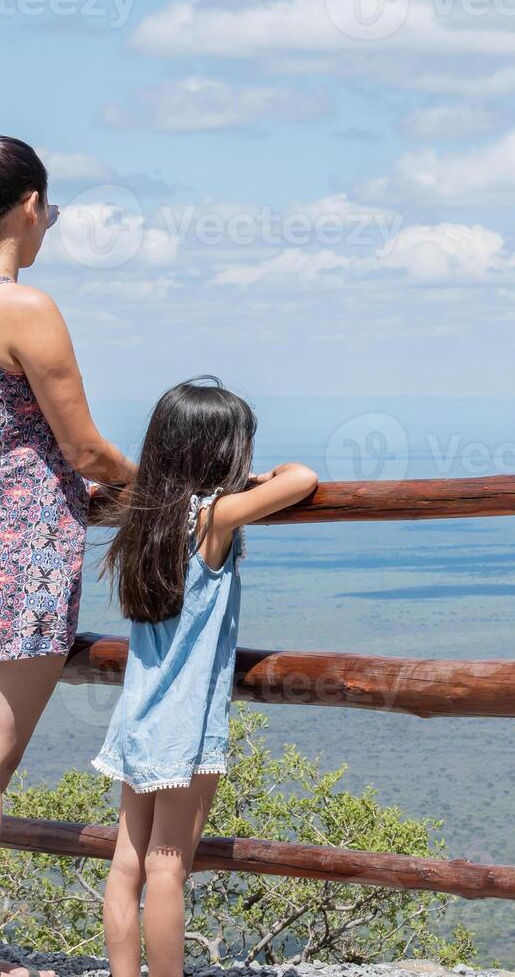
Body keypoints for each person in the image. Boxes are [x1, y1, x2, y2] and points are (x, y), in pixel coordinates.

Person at [0, 117, 136, 977]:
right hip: (15, 558)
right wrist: (170, 490)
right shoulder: (19, 308)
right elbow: (88, 453)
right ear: (29, 209)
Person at [92, 378, 317, 977]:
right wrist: (261, 478)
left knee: (126, 863)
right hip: (184, 723)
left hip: (138, 714)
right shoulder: (213, 516)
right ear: (220, 454)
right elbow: (302, 479)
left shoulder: (146, 515)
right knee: (169, 865)